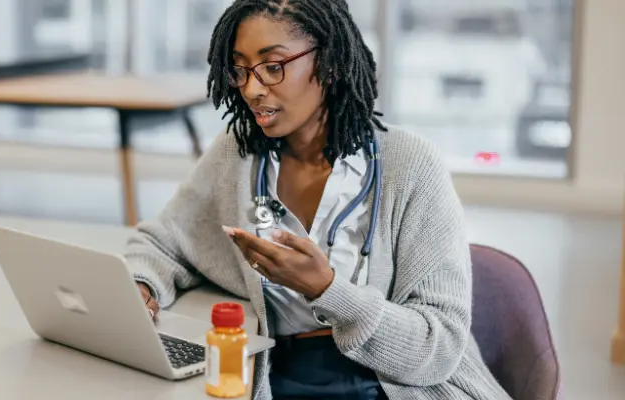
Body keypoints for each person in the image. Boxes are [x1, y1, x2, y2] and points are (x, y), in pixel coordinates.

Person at [124, 1, 510, 399]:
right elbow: (163, 242)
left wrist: (327, 289)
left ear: (331, 64)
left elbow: (440, 348)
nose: (252, 89)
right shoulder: (237, 155)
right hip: (277, 375)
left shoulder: (410, 166)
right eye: (241, 70)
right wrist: (140, 285)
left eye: (273, 67)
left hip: (391, 384)